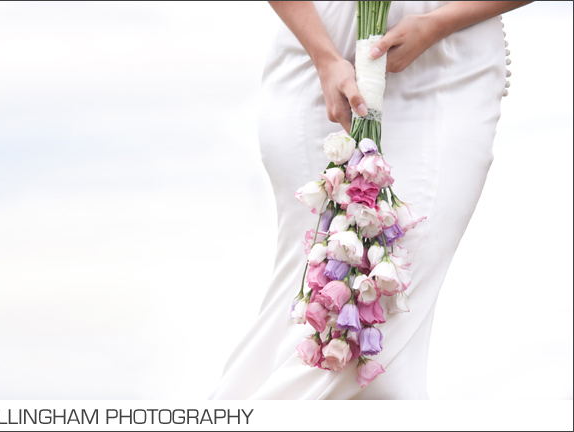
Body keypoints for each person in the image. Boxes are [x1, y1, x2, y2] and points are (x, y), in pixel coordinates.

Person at [210, 1, 531, 400]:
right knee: (304, 295)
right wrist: (325, 58)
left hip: (449, 56)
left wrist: (436, 25)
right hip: (319, 51)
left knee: (387, 299)